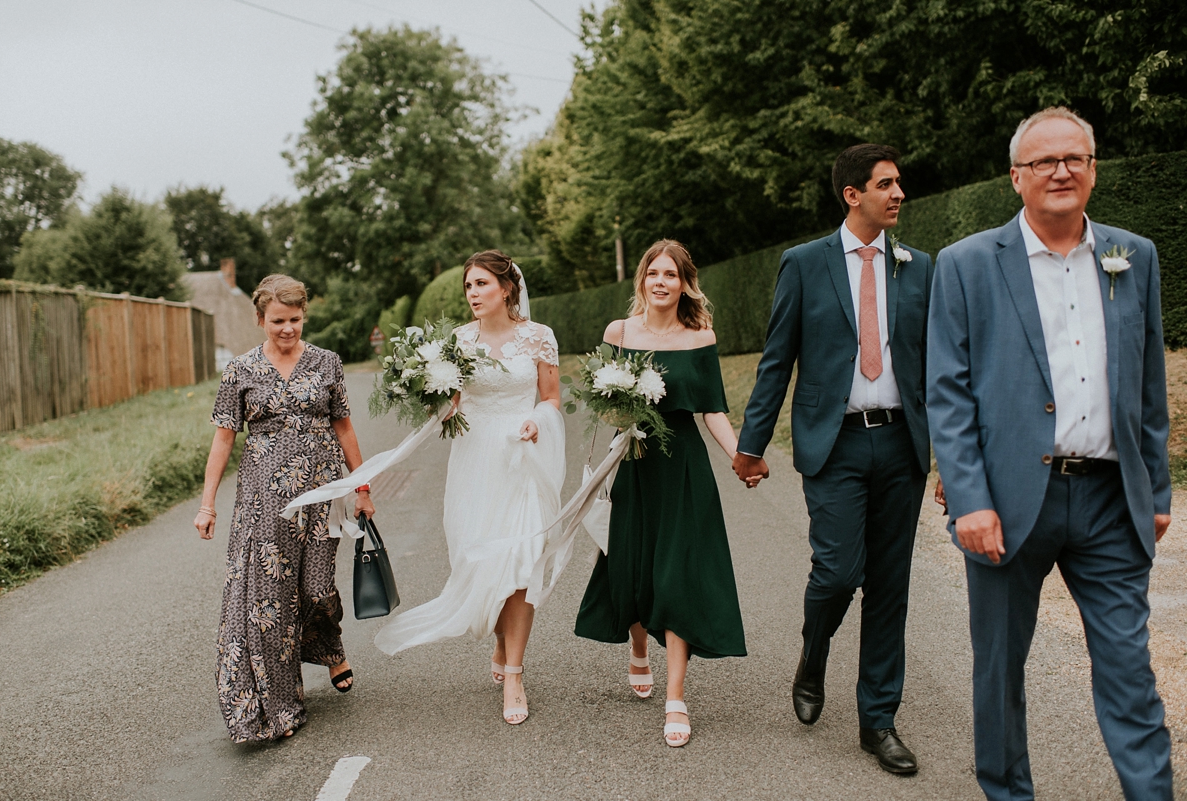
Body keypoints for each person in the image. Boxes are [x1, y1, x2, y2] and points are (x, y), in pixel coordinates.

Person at [926, 107, 1173, 800]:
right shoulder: (968, 264)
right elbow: (946, 390)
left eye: (1075, 158)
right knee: (1000, 671)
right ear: (1016, 177)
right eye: (1044, 162)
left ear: (1093, 169)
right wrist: (968, 497)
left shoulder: (1134, 255)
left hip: (1108, 500)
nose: (1061, 171)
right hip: (1005, 501)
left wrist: (1155, 491)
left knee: (1130, 670)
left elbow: (1149, 383)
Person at [733, 144, 933, 774]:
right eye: (886, 184)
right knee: (839, 572)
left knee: (890, 589)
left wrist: (953, 457)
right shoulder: (804, 264)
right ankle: (813, 652)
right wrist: (751, 445)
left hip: (902, 444)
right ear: (853, 195)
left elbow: (942, 366)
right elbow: (776, 362)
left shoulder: (918, 266)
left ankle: (879, 721)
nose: (899, 193)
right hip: (835, 443)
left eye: (899, 183)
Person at [373, 250, 564, 726]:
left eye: (481, 284)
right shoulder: (458, 340)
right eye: (469, 287)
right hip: (475, 463)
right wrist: (437, 401)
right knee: (479, 559)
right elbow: (452, 399)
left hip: (520, 460)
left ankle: (515, 672)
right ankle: (501, 639)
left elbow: (553, 397)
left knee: (520, 563)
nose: (474, 294)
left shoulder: (540, 338)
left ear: (506, 288)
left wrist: (537, 421)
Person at [575, 239, 746, 748]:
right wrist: (621, 408)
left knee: (679, 571)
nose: (661, 282)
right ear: (643, 280)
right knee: (635, 564)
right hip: (633, 460)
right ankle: (638, 648)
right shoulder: (618, 333)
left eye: (672, 274)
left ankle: (676, 696)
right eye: (654, 273)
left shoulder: (701, 337)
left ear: (685, 283)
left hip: (684, 466)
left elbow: (713, 408)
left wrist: (740, 456)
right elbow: (601, 407)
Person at [194, 274, 375, 743]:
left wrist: (362, 486)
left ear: (304, 316)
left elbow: (344, 426)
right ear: (260, 319)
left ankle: (331, 647)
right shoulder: (240, 370)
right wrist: (207, 503)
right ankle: (280, 706)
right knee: (268, 601)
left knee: (316, 588)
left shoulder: (328, 363)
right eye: (277, 321)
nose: (287, 329)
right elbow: (223, 437)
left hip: (321, 495)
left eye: (294, 319)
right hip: (263, 500)